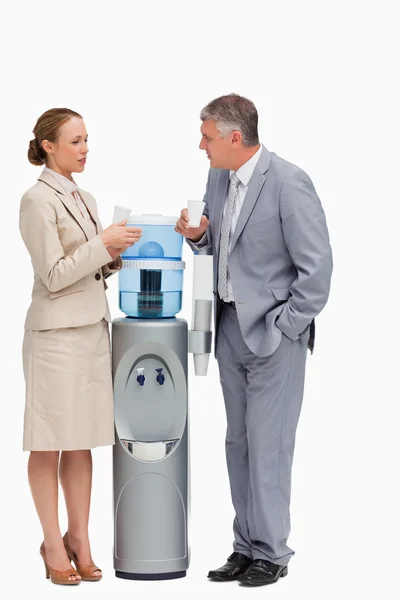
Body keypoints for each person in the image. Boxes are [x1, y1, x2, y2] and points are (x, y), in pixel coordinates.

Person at [176, 94, 333, 586]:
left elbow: (317, 271)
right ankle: (245, 546)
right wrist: (199, 235)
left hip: (273, 339)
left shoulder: (289, 183)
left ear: (234, 138)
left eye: (206, 137)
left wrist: (287, 327)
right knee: (238, 443)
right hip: (229, 331)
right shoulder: (218, 176)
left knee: (270, 446)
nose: (200, 145)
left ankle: (272, 551)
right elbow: (221, 247)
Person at [19, 108, 142, 585]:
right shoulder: (36, 200)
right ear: (49, 146)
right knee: (50, 442)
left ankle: (80, 539)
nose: (85, 148)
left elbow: (88, 269)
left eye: (87, 139)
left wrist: (116, 254)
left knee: (82, 442)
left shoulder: (85, 197)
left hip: (92, 331)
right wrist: (101, 245)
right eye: (75, 141)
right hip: (55, 338)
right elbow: (53, 277)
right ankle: (53, 543)